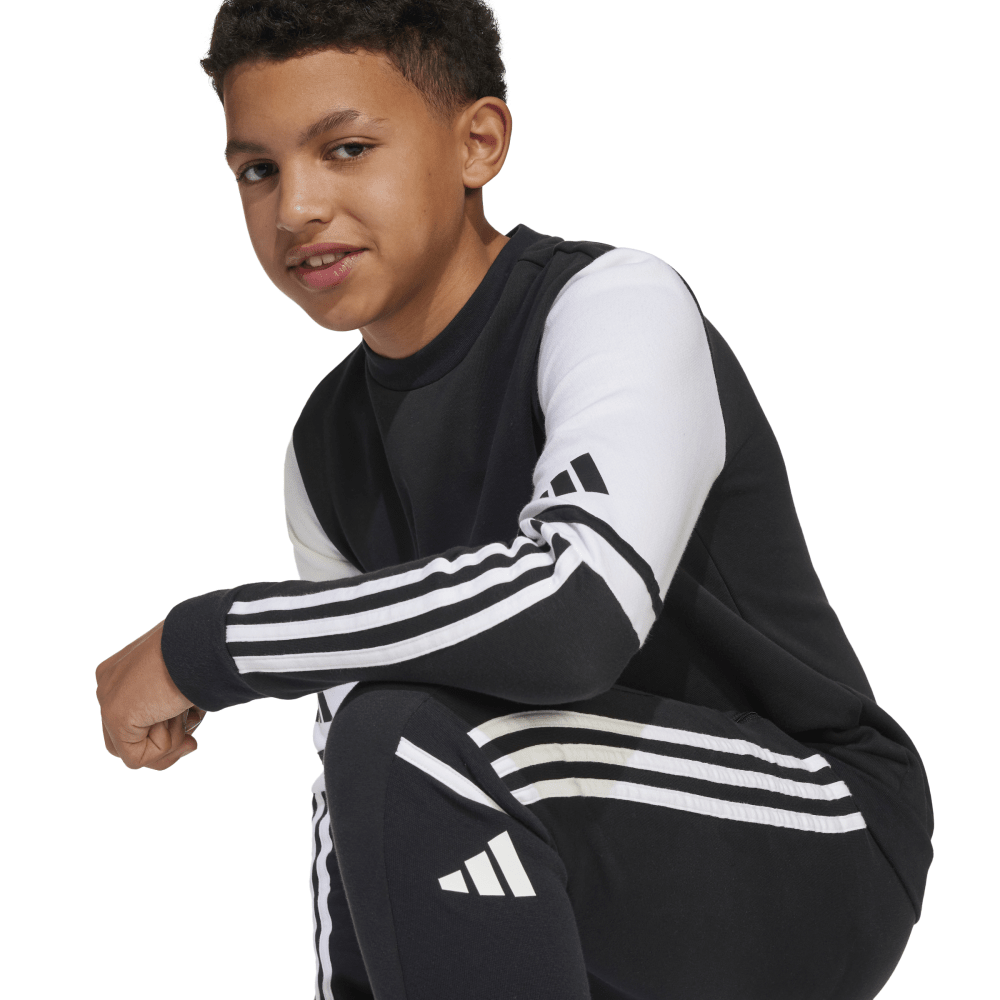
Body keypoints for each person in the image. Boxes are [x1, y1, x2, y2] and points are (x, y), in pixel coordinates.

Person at [95, 2, 933, 997]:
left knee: (408, 736)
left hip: (815, 833)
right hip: (564, 840)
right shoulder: (325, 449)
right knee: (383, 743)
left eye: (347, 149)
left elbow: (576, 614)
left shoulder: (610, 306)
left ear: (478, 143)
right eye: (258, 170)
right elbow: (355, 793)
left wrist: (212, 644)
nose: (296, 208)